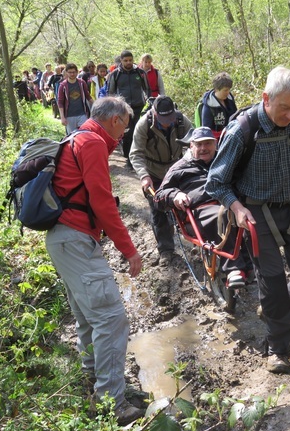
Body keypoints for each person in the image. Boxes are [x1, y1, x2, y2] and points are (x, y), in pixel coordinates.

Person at [205, 66, 290, 374]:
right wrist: (236, 209)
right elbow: (216, 182)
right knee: (274, 283)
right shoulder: (242, 130)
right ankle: (278, 348)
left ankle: (275, 315)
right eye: (285, 108)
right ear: (266, 98)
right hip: (255, 214)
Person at [45, 96, 144, 425]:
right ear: (115, 119)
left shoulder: (77, 137)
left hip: (65, 240)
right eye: (124, 128)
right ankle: (111, 402)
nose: (121, 138)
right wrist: (128, 249)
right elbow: (103, 201)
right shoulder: (91, 143)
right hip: (74, 239)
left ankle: (94, 381)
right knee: (112, 318)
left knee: (90, 317)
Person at [154, 127, 251, 287]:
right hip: (199, 210)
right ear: (191, 146)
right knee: (222, 216)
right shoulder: (179, 167)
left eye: (208, 143)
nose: (204, 148)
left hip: (229, 202)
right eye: (199, 144)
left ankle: (252, 265)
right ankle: (234, 269)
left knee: (251, 217)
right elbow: (159, 195)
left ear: (216, 145)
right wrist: (175, 195)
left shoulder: (225, 162)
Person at [130, 95, 192, 264]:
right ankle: (166, 249)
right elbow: (135, 154)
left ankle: (194, 240)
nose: (167, 122)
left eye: (170, 118)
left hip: (177, 169)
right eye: (163, 119)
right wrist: (144, 176)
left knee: (188, 203)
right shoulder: (143, 125)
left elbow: (193, 145)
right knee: (159, 211)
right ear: (154, 113)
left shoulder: (181, 121)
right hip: (154, 173)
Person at [108, 50, 150, 169]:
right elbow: (110, 92)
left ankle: (139, 157)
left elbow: (147, 89)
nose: (128, 62)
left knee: (139, 132)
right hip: (123, 109)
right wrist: (114, 106)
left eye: (130, 60)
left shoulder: (140, 73)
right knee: (127, 133)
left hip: (139, 107)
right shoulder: (115, 74)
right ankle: (128, 159)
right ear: (121, 61)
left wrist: (147, 102)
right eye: (125, 60)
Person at [200, 71, 238, 140]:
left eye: (229, 89)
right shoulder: (208, 106)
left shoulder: (230, 99)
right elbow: (206, 131)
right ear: (216, 89)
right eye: (225, 90)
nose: (228, 92)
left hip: (232, 137)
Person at [57, 63, 93, 134]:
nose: (72, 74)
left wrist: (97, 105)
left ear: (77, 72)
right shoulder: (63, 86)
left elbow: (88, 96)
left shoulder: (82, 83)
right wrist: (62, 117)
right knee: (72, 137)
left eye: (73, 72)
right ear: (66, 73)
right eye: (70, 72)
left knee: (85, 134)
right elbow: (60, 102)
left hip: (82, 114)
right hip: (69, 116)